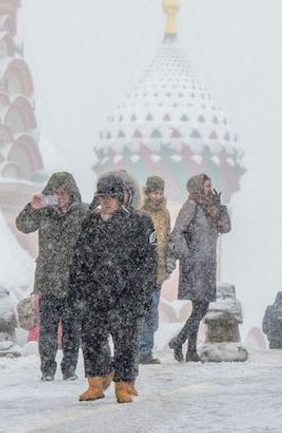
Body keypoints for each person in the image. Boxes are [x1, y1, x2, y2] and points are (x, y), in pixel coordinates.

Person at [70, 173, 155, 404]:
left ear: (123, 197)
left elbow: (148, 261)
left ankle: (124, 384)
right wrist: (78, 287)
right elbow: (79, 258)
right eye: (102, 197)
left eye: (111, 197)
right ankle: (96, 383)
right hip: (95, 293)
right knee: (92, 339)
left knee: (125, 341)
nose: (106, 202)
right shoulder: (91, 222)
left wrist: (142, 292)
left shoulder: (140, 222)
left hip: (126, 294)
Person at [15, 171, 87, 381]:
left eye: (63, 192)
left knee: (72, 330)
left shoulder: (84, 212)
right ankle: (47, 370)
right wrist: (32, 207)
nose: (60, 197)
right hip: (48, 280)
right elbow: (23, 225)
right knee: (47, 329)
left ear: (72, 193)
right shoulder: (43, 211)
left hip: (75, 280)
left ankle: (69, 370)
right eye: (55, 193)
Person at [168, 173, 230, 363]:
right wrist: (186, 254)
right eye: (207, 186)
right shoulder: (191, 205)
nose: (210, 189)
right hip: (194, 263)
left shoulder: (212, 207)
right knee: (200, 306)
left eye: (211, 185)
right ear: (198, 187)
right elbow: (177, 232)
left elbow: (226, 227)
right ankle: (181, 342)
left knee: (200, 306)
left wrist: (221, 208)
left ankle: (189, 349)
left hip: (208, 263)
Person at [136, 176, 175, 364]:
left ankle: (146, 350)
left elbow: (167, 239)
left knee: (152, 312)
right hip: (142, 270)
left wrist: (168, 264)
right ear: (147, 192)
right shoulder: (140, 213)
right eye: (154, 192)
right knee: (142, 311)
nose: (157, 196)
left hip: (158, 271)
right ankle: (140, 350)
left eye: (160, 193)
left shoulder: (165, 214)